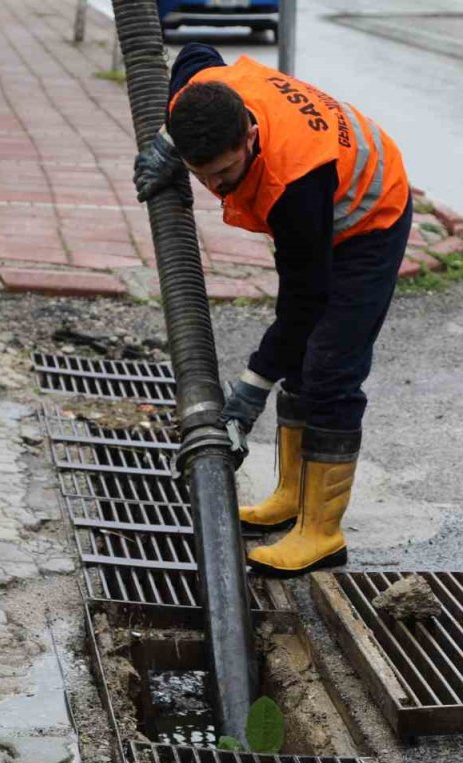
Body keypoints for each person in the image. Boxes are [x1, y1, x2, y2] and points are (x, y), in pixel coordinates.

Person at [134, 44, 412, 577]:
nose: (217, 188)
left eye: (227, 172)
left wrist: (247, 396)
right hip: (324, 187)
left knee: (329, 367)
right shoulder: (202, 99)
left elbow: (303, 301)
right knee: (304, 362)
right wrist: (169, 146)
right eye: (202, 173)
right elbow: (194, 53)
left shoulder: (294, 185)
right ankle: (290, 496)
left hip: (369, 219)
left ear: (251, 137)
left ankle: (322, 532)